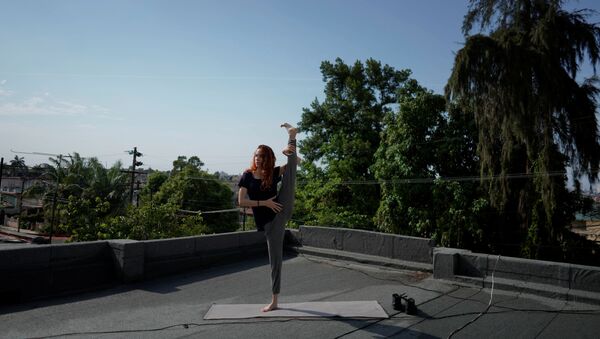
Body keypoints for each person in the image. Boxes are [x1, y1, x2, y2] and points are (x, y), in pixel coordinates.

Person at [237, 123, 299, 312]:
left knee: (290, 172)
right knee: (275, 258)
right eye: (256, 155)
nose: (258, 158)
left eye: (262, 156)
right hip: (270, 221)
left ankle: (292, 137)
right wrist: (265, 203)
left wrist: (288, 152)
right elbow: (241, 201)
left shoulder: (273, 172)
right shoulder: (247, 175)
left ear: (268, 158)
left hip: (281, 209)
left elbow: (295, 165)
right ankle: (275, 300)